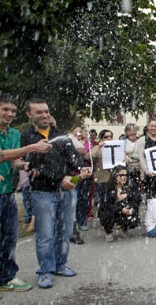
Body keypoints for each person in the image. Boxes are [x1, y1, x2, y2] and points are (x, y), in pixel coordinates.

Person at [21, 98, 89, 289]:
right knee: (45, 234)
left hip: (67, 192)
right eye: (39, 112)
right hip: (43, 193)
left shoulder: (61, 135)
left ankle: (60, 265)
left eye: (46, 111)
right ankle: (45, 271)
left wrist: (78, 172)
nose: (44, 115)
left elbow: (75, 160)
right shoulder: (27, 138)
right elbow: (35, 166)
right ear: (29, 115)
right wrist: (60, 178)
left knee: (65, 231)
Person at [0, 94, 52, 292]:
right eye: (5, 109)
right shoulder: (24, 140)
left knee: (10, 237)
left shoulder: (13, 134)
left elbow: (13, 162)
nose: (9, 114)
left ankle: (7, 277)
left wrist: (27, 165)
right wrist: (32, 147)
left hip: (7, 193)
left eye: (12, 111)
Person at [99, 166, 141, 242]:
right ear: (115, 176)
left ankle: (125, 227)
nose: (124, 177)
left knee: (133, 209)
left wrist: (128, 196)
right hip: (112, 210)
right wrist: (120, 209)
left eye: (126, 175)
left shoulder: (131, 184)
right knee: (107, 212)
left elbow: (138, 197)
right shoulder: (107, 187)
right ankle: (108, 231)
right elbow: (105, 204)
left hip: (125, 208)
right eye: (122, 175)